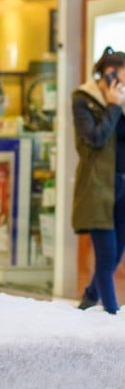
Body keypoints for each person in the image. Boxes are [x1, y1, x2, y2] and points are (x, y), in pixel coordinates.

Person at [72, 46, 125, 314]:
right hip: (98, 187)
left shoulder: (121, 102)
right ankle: (114, 318)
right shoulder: (84, 99)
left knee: (116, 254)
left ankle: (90, 295)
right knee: (106, 256)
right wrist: (113, 107)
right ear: (109, 74)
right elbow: (96, 137)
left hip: (123, 185)